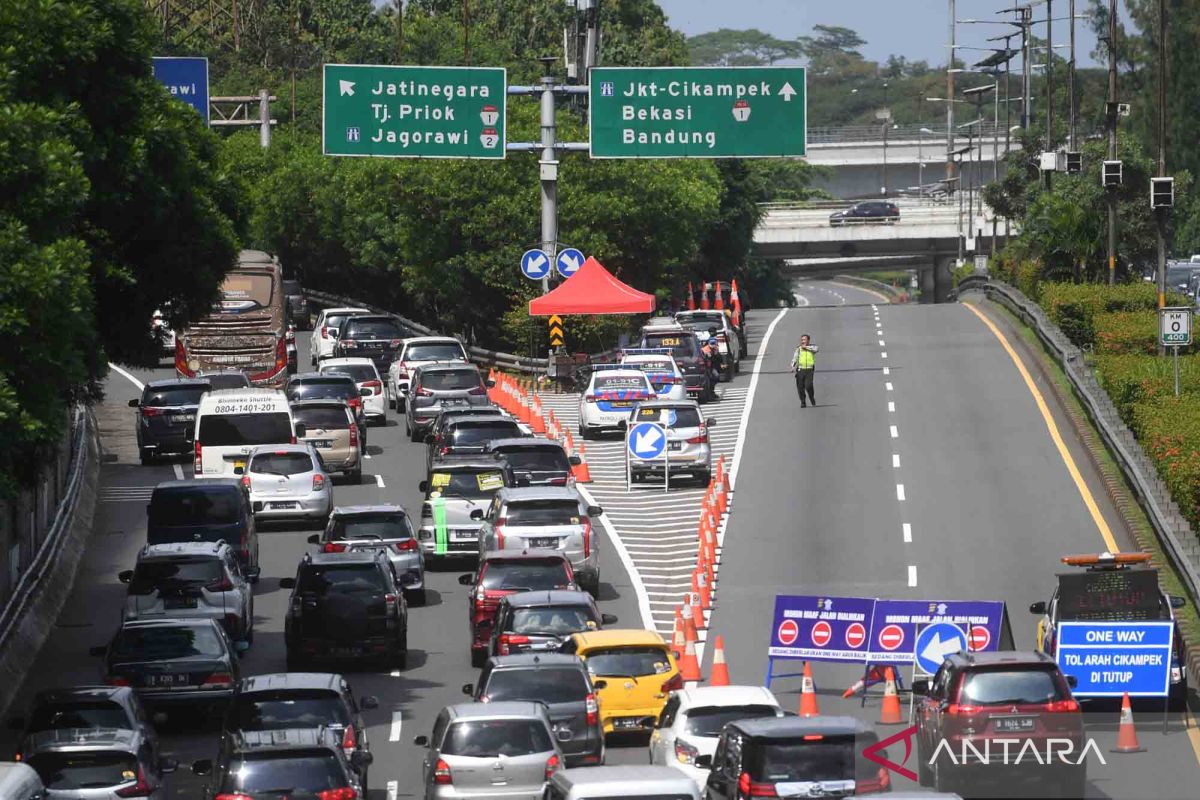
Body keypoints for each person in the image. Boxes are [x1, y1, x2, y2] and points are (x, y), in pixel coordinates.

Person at [791, 334, 818, 407]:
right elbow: (795, 357)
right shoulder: (799, 349)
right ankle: (803, 401)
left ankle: (811, 397)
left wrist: (806, 347)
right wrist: (793, 366)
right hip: (800, 370)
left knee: (808, 386)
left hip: (809, 370)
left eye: (804, 340)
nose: (803, 341)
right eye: (802, 340)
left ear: (808, 340)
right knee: (800, 387)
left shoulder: (812, 347)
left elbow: (816, 350)